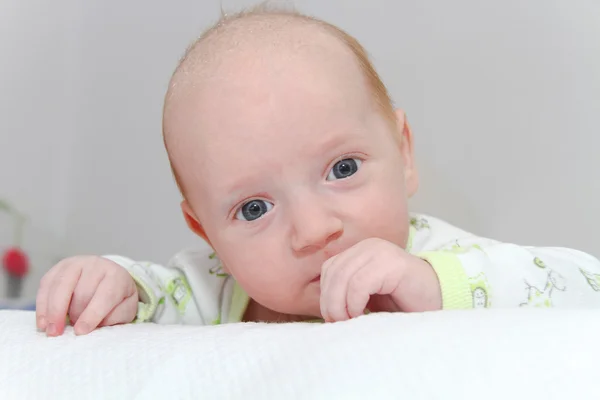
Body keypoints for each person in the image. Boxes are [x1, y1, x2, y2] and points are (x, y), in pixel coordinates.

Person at [35, 6, 600, 337]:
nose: (313, 231)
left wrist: (435, 288)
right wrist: (114, 285)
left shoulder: (439, 263)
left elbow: (585, 287)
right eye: (254, 208)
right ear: (206, 232)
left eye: (342, 168)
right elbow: (155, 295)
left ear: (403, 153)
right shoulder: (215, 289)